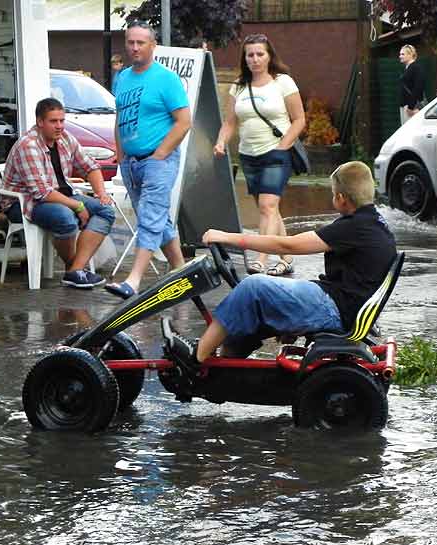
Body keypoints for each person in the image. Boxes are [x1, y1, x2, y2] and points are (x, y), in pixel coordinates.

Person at [164, 161, 397, 371]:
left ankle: (195, 360)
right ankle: (225, 366)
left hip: (338, 309)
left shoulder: (355, 227)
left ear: (341, 198)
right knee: (258, 302)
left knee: (252, 287)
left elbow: (289, 245)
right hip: (344, 304)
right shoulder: (373, 223)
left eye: (333, 194)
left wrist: (227, 237)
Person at [106, 21, 191, 300]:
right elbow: (120, 117)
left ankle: (134, 280)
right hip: (130, 162)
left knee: (149, 216)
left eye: (141, 43)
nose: (134, 48)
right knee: (159, 219)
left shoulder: (166, 79)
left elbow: (184, 121)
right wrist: (120, 152)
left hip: (158, 160)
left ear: (152, 45)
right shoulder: (123, 77)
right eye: (130, 42)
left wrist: (161, 153)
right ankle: (181, 273)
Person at [213, 33, 306, 277]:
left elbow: (299, 119)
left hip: (276, 152)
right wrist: (222, 141)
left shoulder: (283, 82)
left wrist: (283, 146)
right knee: (270, 210)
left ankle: (260, 259)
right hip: (249, 155)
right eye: (250, 55)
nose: (255, 59)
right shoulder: (239, 86)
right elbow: (230, 121)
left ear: (269, 56)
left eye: (260, 54)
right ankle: (286, 259)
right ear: (245, 58)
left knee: (267, 205)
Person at [1, 97, 115, 288]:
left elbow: (91, 167)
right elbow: (42, 193)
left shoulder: (65, 139)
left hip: (61, 196)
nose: (60, 126)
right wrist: (78, 205)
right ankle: (75, 270)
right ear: (40, 122)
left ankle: (75, 270)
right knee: (65, 216)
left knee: (105, 210)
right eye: (53, 121)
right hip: (24, 203)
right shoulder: (28, 145)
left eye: (62, 120)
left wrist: (100, 193)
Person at [399, 44, 426, 125]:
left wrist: (411, 107)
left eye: (402, 54)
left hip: (412, 108)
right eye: (400, 54)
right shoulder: (408, 68)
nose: (400, 56)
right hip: (406, 106)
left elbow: (418, 87)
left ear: (410, 55)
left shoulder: (416, 68)